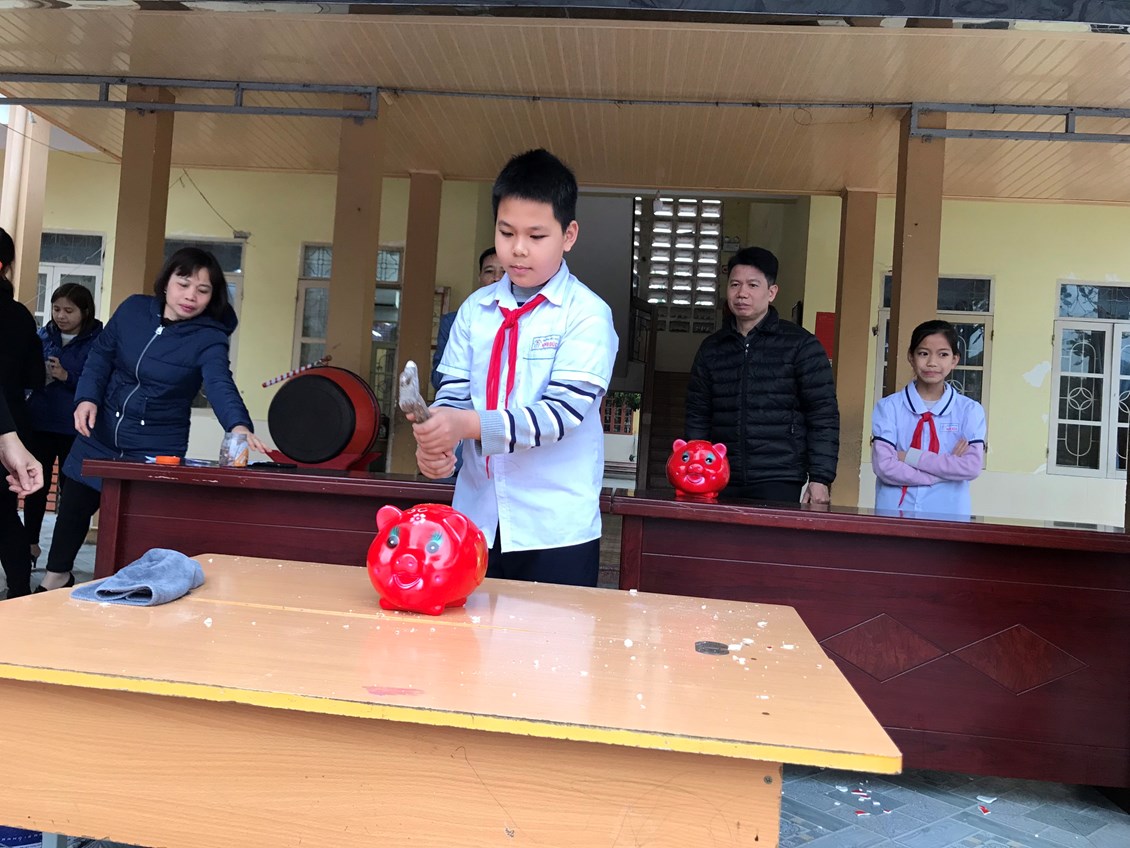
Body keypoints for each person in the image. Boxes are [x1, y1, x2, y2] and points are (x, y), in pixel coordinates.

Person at [414, 148, 618, 587]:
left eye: (536, 235)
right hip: (476, 520)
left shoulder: (587, 315)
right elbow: (453, 394)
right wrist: (438, 445)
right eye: (506, 232)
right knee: (470, 629)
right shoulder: (475, 311)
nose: (518, 249)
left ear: (569, 235)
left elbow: (559, 415)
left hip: (554, 528)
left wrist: (464, 425)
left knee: (551, 632)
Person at [38, 247, 268, 591]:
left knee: (138, 528)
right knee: (74, 507)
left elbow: (219, 382)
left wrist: (238, 424)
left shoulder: (209, 337)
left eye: (202, 290)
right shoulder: (133, 309)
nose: (190, 296)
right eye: (183, 284)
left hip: (155, 444)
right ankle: (55, 578)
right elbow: (101, 356)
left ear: (212, 296)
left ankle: (132, 590)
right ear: (166, 282)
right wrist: (86, 397)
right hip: (101, 434)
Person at [685, 246, 838, 504]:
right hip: (719, 474)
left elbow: (823, 414)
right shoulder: (712, 349)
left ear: (772, 292)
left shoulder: (801, 345)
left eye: (752, 285)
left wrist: (820, 478)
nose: (742, 293)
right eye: (735, 284)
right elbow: (697, 413)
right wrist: (695, 465)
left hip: (779, 477)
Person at [23, 282, 103, 569]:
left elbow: (100, 382)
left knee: (71, 495)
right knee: (36, 486)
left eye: (69, 310)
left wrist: (67, 376)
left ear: (85, 311)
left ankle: (61, 558)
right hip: (40, 423)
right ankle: (30, 544)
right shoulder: (44, 335)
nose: (61, 316)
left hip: (76, 428)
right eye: (56, 309)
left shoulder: (99, 341)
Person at [871, 319, 986, 516]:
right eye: (923, 353)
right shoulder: (889, 408)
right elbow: (884, 466)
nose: (932, 362)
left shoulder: (969, 410)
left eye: (943, 354)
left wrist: (910, 457)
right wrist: (942, 472)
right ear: (911, 356)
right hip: (894, 515)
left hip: (948, 516)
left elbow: (971, 467)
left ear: (955, 360)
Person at [0, 227, 46, 599]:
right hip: (12, 420)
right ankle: (19, 590)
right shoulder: (18, 316)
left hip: (7, 431)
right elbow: (34, 376)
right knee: (4, 514)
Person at [431, 247, 506, 392]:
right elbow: (438, 379)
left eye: (504, 272)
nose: (497, 278)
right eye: (489, 271)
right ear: (479, 277)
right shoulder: (453, 321)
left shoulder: (526, 319)